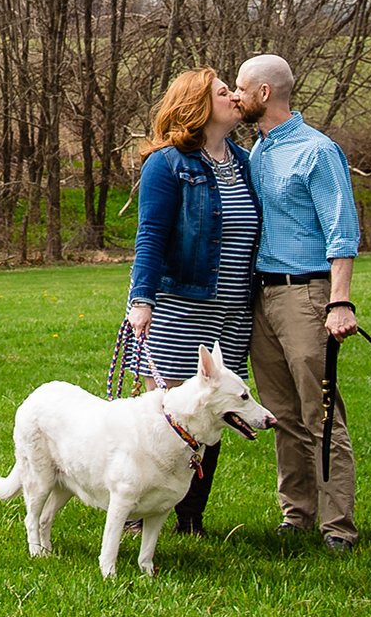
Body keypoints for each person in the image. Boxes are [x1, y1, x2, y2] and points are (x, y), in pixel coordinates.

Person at [125, 67, 261, 536]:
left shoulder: (244, 161)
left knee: (214, 413)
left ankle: (189, 517)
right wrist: (141, 298)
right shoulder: (167, 163)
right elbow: (151, 234)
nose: (235, 99)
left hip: (234, 311)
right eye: (225, 93)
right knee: (166, 418)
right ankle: (140, 515)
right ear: (199, 106)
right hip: (181, 306)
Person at [234, 54, 361, 552]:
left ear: (264, 93)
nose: (235, 96)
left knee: (321, 412)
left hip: (307, 296)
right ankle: (298, 514)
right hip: (262, 297)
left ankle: (338, 527)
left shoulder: (317, 151)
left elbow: (342, 229)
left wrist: (340, 301)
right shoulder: (259, 151)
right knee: (281, 414)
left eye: (241, 88)